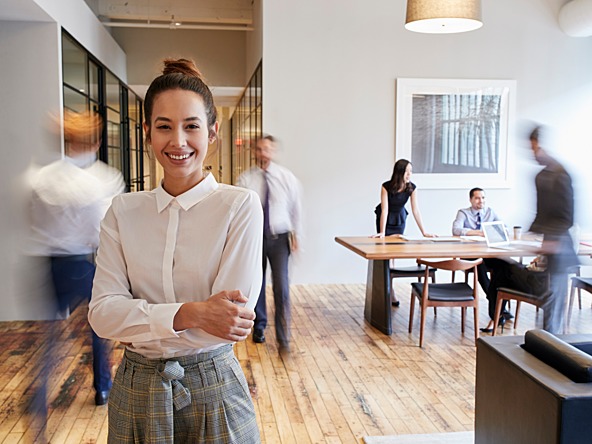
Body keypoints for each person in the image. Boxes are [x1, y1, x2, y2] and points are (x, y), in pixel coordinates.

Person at [88, 58, 262, 443]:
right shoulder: (123, 211)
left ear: (212, 132)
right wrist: (194, 313)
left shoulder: (239, 206)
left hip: (214, 385)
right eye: (164, 127)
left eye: (191, 126)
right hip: (136, 388)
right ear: (148, 133)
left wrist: (141, 322)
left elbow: (231, 319)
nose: (178, 141)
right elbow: (102, 315)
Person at [27, 110, 125, 408]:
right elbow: (104, 230)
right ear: (96, 143)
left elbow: (33, 221)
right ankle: (103, 388)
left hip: (50, 264)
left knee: (51, 337)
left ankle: (40, 394)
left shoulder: (41, 177)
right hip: (84, 263)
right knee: (98, 328)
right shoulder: (104, 180)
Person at [482, 126, 578, 334]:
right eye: (532, 149)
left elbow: (567, 217)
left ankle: (550, 348)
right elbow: (541, 215)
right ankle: (504, 319)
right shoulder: (540, 177)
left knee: (552, 314)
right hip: (545, 253)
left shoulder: (561, 175)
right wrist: (532, 237)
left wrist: (551, 243)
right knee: (501, 267)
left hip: (559, 256)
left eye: (536, 149)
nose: (534, 154)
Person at [237, 135, 302, 353]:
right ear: (254, 152)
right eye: (259, 149)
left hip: (280, 238)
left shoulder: (286, 177)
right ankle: (260, 327)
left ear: (273, 151)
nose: (263, 153)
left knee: (282, 287)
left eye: (267, 149)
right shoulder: (245, 180)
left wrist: (297, 235)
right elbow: (240, 212)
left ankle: (284, 337)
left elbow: (295, 209)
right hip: (255, 239)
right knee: (257, 284)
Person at [452, 188, 508, 307]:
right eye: (477, 198)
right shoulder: (463, 212)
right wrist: (478, 232)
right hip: (470, 254)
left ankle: (499, 302)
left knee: (504, 263)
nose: (480, 201)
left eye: (483, 198)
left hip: (487, 253)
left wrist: (493, 231)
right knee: (480, 265)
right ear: (471, 200)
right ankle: (495, 301)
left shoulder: (490, 212)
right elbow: (456, 230)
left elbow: (504, 228)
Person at [373, 159, 435, 238]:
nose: (409, 174)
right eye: (406, 171)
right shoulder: (386, 186)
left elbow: (415, 210)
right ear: (399, 172)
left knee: (398, 243)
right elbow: (385, 210)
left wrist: (424, 232)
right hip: (385, 219)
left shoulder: (412, 188)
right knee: (384, 242)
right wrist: (382, 232)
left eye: (411, 171)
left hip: (400, 218)